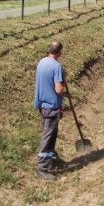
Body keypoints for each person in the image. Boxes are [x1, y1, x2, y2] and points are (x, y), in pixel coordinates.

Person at [33, 40, 68, 181]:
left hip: (42, 105)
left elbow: (48, 84)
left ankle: (51, 158)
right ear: (60, 52)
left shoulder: (41, 62)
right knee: (48, 137)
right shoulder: (57, 66)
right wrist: (63, 82)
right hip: (51, 107)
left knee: (52, 134)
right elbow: (58, 89)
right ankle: (41, 168)